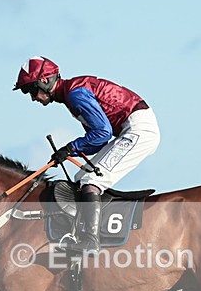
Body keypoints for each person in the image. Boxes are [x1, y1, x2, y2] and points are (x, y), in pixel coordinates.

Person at [13, 56, 160, 255]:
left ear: (45, 81)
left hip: (138, 130)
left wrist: (70, 147)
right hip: (132, 128)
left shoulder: (75, 94)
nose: (32, 98)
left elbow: (102, 133)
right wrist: (67, 152)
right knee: (81, 178)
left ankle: (91, 240)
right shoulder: (71, 94)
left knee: (91, 181)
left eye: (31, 90)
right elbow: (98, 141)